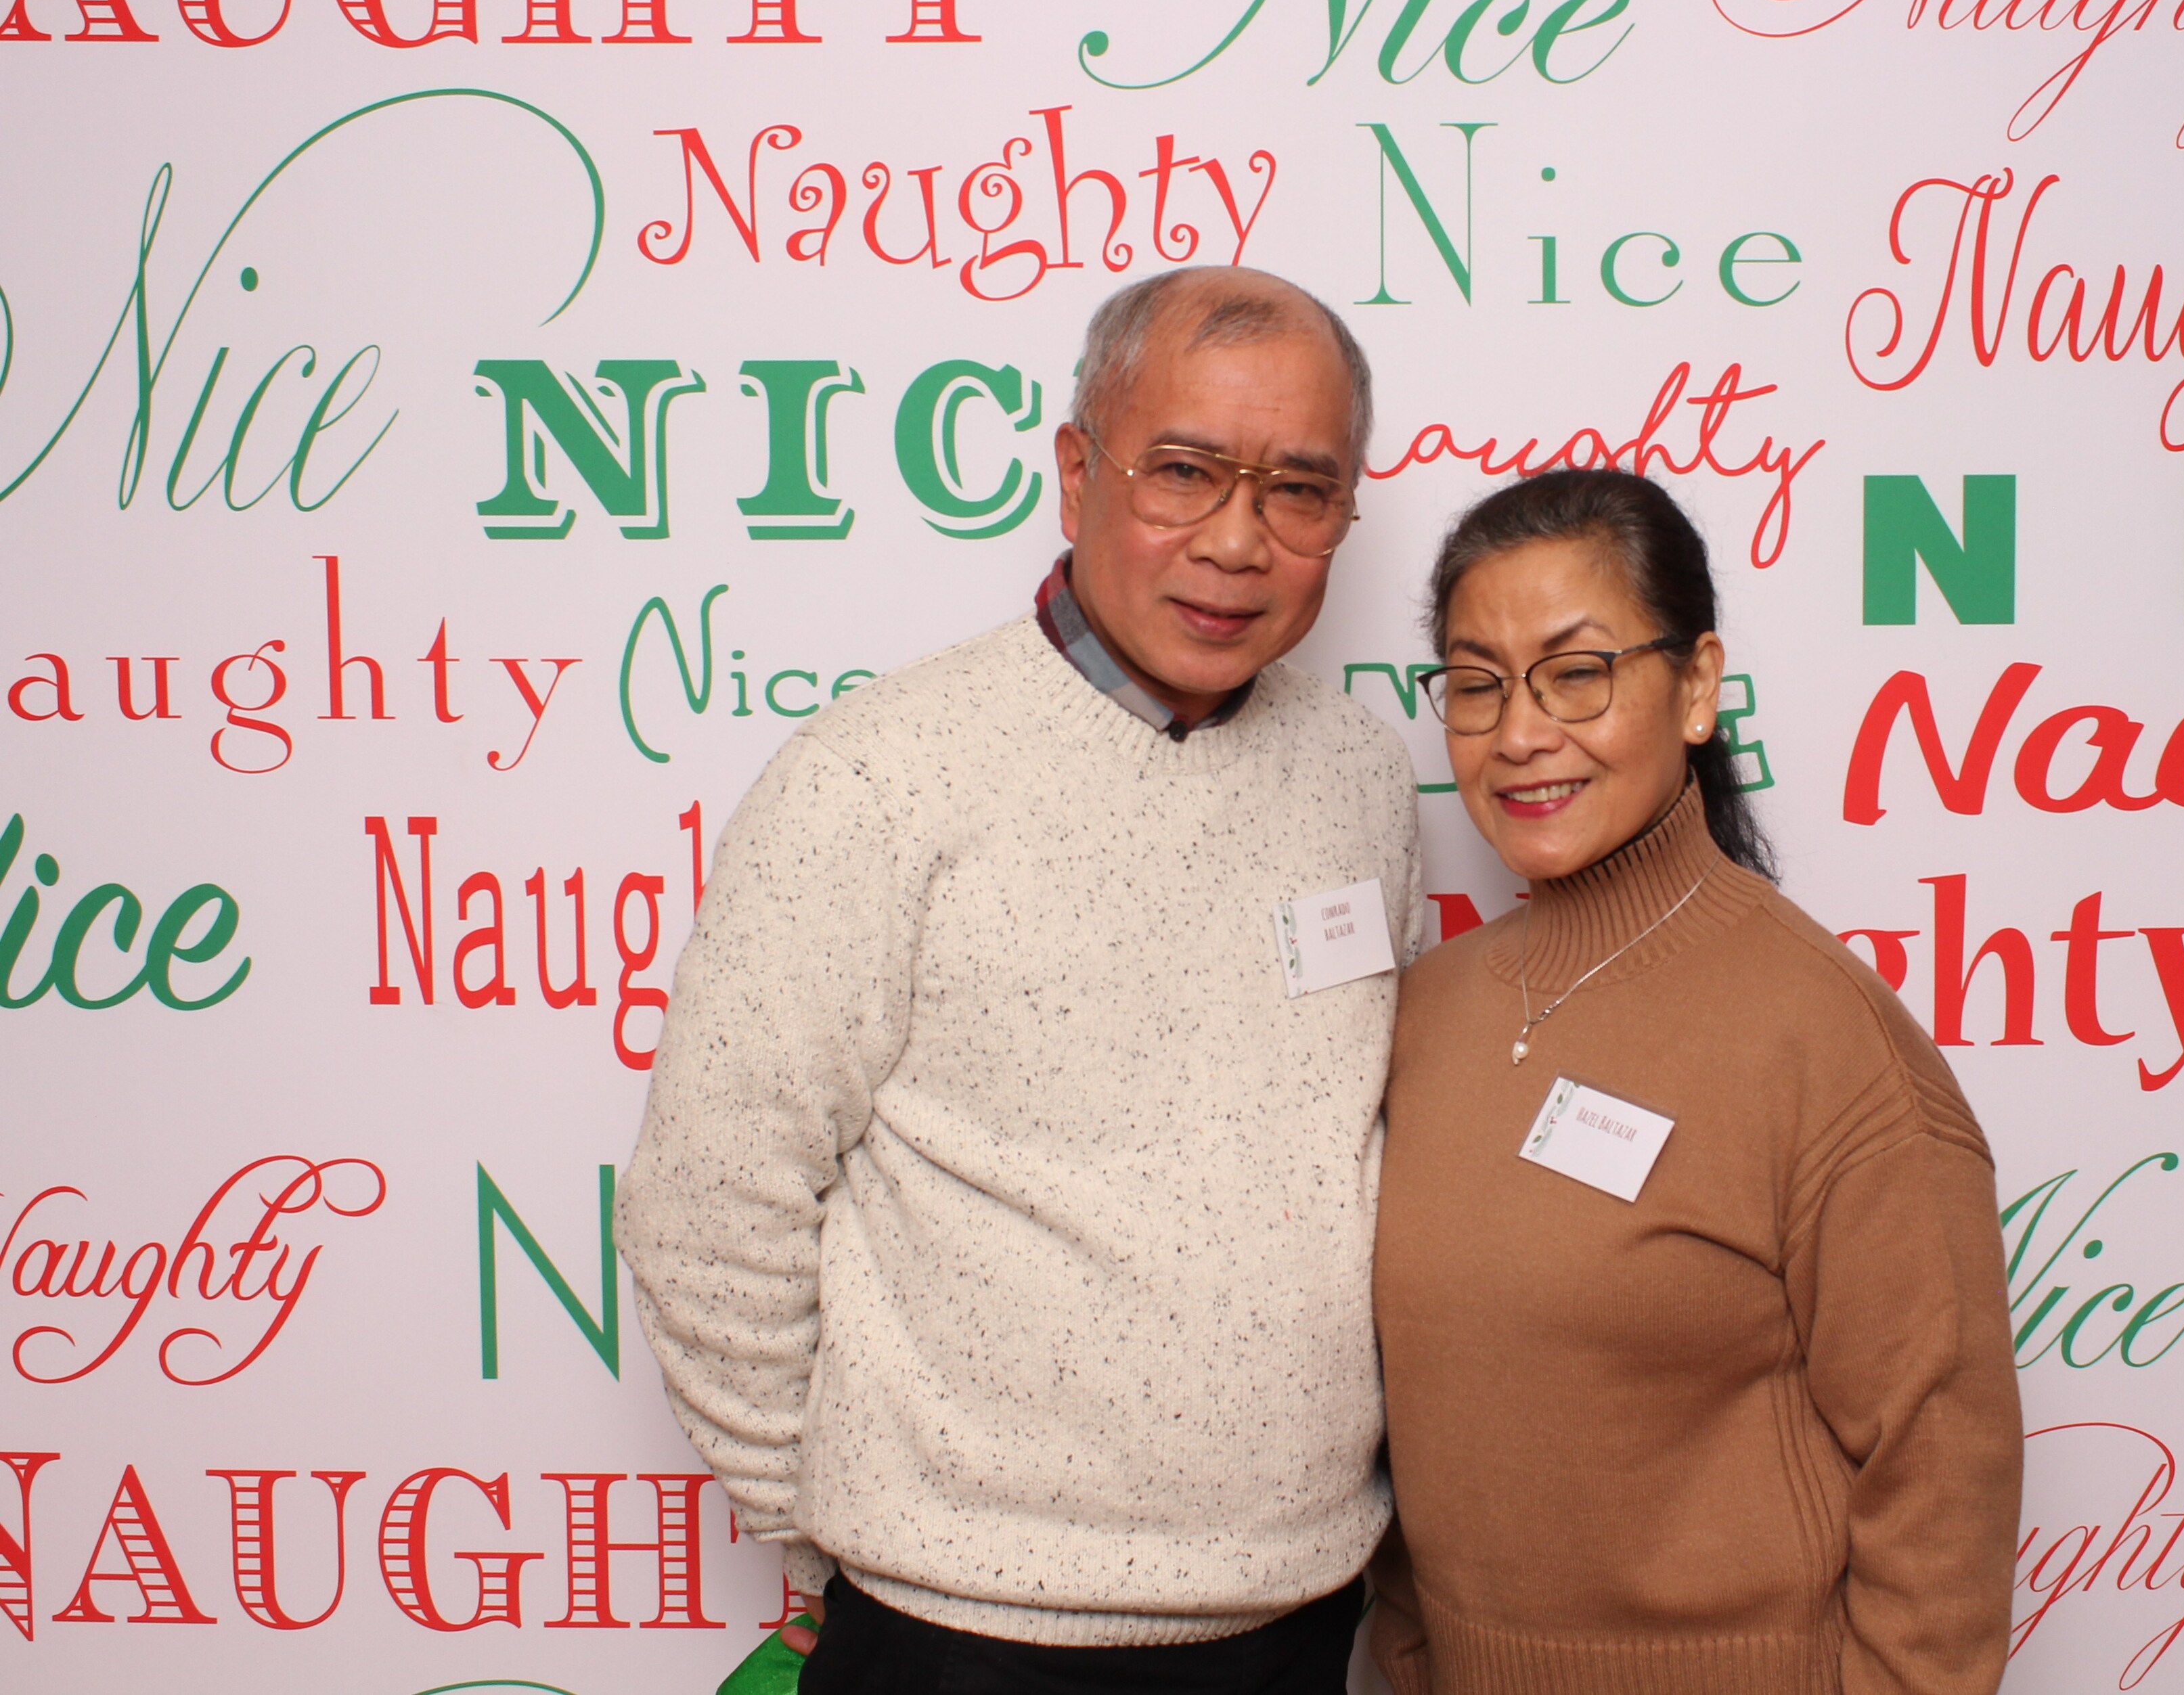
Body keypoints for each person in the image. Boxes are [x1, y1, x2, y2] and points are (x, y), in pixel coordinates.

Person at [617, 266, 1425, 1695]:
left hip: (1299, 1614)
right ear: (1076, 470)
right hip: (960, 1635)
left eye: (1299, 491)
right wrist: (847, 1528)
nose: (1237, 540)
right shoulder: (876, 776)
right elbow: (710, 1199)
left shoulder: (1362, 774)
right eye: (1183, 471)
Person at [1368, 470, 2022, 1694]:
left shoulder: (1823, 1040)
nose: (1520, 734)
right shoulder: (1428, 1013)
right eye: (1478, 683)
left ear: (1699, 686)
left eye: (1577, 673)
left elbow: (1943, 1470)